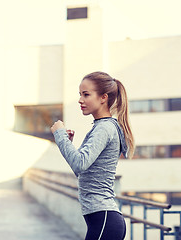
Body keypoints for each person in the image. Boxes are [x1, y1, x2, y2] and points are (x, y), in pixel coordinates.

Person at [51, 71, 134, 240]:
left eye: (86, 94)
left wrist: (59, 135)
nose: (80, 100)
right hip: (102, 219)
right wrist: (68, 144)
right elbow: (82, 172)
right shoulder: (101, 127)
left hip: (104, 218)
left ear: (103, 97)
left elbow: (79, 164)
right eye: (80, 95)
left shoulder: (104, 129)